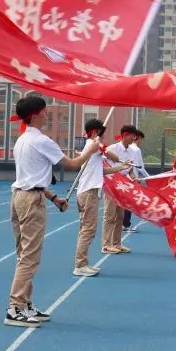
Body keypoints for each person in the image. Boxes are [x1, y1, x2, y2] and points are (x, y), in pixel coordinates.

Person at [6, 96, 99, 327]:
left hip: (20, 196)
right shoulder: (41, 140)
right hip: (30, 201)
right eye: (45, 112)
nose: (48, 115)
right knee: (30, 256)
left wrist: (54, 197)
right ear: (36, 115)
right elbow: (72, 164)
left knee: (24, 254)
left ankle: (25, 304)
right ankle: (15, 307)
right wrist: (91, 149)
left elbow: (30, 179)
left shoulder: (22, 141)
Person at [72, 118, 130, 277]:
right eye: (102, 135)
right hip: (88, 192)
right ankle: (80, 264)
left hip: (89, 192)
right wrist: (119, 159)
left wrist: (121, 167)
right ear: (96, 132)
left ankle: (82, 262)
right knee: (88, 230)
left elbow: (102, 171)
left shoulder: (93, 147)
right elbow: (110, 153)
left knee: (86, 229)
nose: (104, 139)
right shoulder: (93, 145)